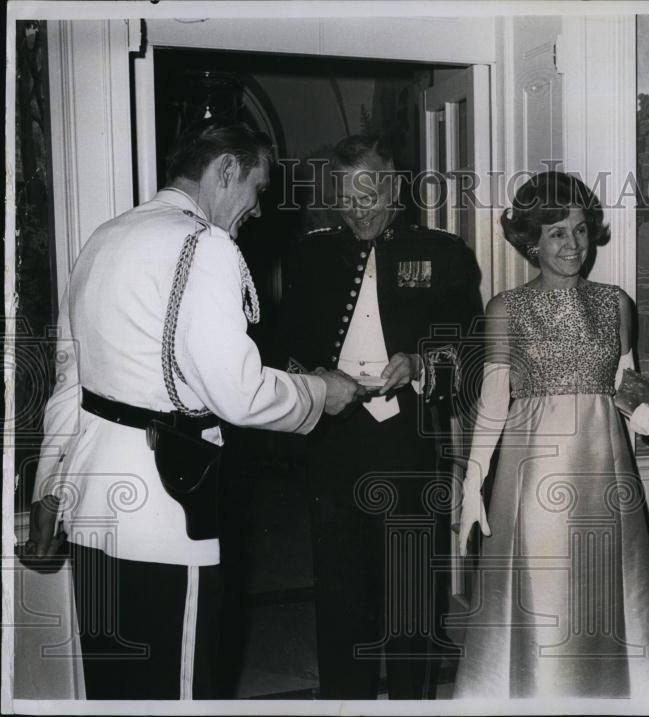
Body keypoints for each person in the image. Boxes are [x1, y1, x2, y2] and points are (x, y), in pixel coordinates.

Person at [21, 120, 366, 700]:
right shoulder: (205, 244)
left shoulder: (106, 236)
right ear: (226, 169)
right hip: (164, 508)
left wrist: (48, 486)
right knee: (177, 691)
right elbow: (237, 392)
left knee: (116, 688)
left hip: (90, 504)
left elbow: (69, 382)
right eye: (256, 190)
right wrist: (320, 393)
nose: (256, 211)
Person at [453, 171, 649, 699]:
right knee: (547, 592)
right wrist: (472, 486)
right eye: (557, 232)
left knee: (604, 588)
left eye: (580, 230)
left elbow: (627, 387)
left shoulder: (616, 302)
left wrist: (647, 418)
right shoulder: (506, 309)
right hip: (535, 474)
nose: (573, 244)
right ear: (530, 239)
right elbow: (492, 402)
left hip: (605, 469)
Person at [279, 134, 482, 699]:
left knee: (412, 590)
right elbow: (286, 349)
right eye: (344, 198)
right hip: (333, 442)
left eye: (367, 195)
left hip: (409, 443)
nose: (356, 209)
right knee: (342, 590)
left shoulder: (445, 255)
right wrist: (320, 380)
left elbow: (471, 350)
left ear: (394, 188)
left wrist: (418, 363)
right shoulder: (310, 255)